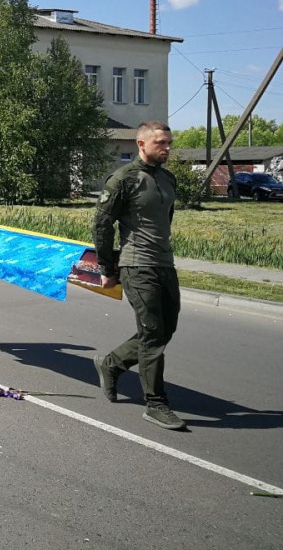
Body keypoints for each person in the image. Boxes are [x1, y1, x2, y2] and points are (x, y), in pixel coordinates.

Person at [92, 121, 185, 431]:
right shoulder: (123, 179)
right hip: (136, 265)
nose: (167, 148)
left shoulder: (168, 179)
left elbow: (164, 222)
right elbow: (102, 226)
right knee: (153, 333)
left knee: (163, 330)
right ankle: (156, 403)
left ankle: (111, 364)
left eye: (169, 142)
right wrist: (107, 268)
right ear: (141, 144)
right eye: (161, 143)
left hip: (164, 264)